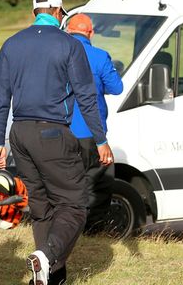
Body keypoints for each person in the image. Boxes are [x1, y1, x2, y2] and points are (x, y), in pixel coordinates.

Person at [0, 0, 111, 285]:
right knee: (73, 204)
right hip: (52, 132)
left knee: (42, 208)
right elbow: (86, 96)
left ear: (35, 13)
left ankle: (47, 277)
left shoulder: (11, 43)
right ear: (58, 12)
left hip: (18, 134)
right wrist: (100, 139)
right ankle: (46, 255)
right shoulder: (69, 44)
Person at [65, 13, 124, 234]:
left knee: (69, 185)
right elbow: (116, 87)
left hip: (63, 132)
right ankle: (93, 230)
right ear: (91, 33)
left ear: (68, 32)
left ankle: (68, 229)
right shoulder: (99, 56)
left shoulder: (59, 57)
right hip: (92, 134)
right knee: (101, 180)